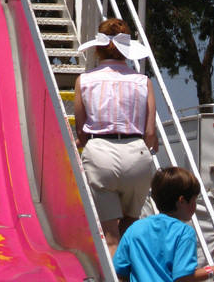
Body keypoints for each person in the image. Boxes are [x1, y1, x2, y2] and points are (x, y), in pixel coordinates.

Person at [73, 17, 157, 256]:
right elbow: (150, 132)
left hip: (100, 153)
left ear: (98, 48)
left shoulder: (84, 81)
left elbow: (82, 131)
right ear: (126, 49)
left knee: (111, 238)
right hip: (136, 154)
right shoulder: (143, 82)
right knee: (129, 232)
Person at [113, 166, 214, 282]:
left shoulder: (135, 228)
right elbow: (183, 278)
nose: (195, 206)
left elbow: (119, 270)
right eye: (194, 200)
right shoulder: (183, 232)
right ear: (181, 201)